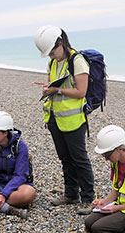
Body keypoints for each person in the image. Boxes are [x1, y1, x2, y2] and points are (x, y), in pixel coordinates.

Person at [34, 25, 95, 215]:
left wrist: (56, 90)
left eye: (52, 52)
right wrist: (49, 89)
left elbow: (81, 92)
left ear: (60, 43)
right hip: (54, 117)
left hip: (74, 120)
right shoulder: (52, 63)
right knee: (65, 158)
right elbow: (53, 85)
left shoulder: (78, 61)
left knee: (79, 158)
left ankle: (88, 198)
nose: (51, 56)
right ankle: (70, 193)